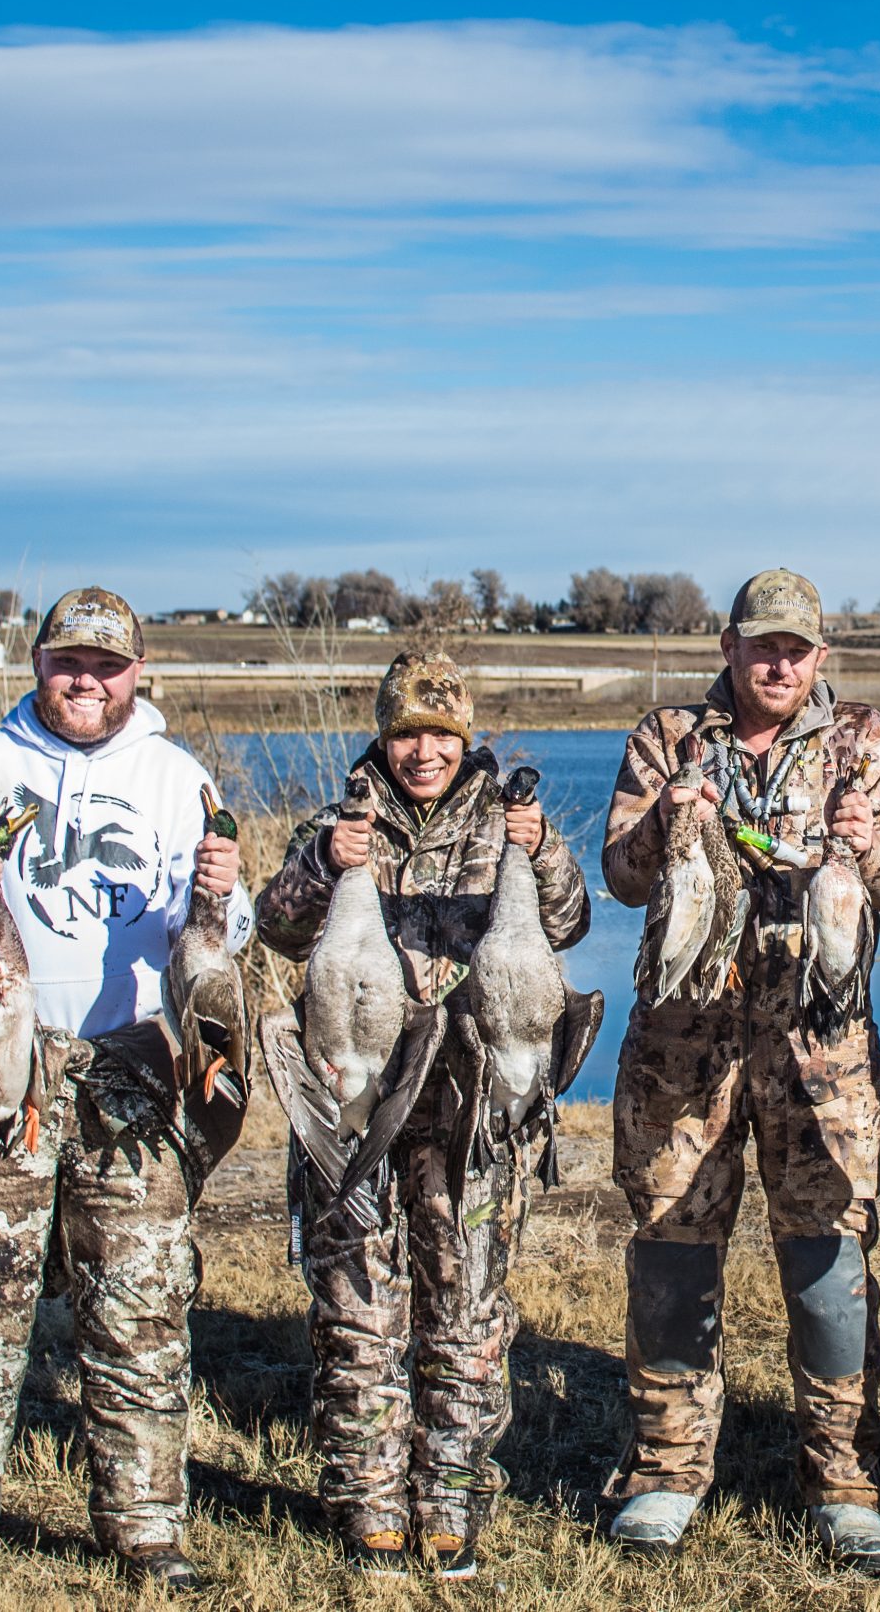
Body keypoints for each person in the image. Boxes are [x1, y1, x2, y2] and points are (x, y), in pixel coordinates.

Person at [0, 587, 252, 1591]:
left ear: (138, 673)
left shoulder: (175, 777)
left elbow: (227, 935)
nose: (87, 681)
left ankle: (147, 1532)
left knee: (140, 1310)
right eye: (68, 662)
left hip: (129, 1067)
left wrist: (222, 895)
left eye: (107, 666)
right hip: (0, 1059)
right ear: (37, 663)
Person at [597, 569, 880, 1569]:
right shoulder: (667, 737)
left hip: (820, 1051)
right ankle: (665, 1471)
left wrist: (868, 850)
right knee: (672, 1255)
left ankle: (843, 1481)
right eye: (761, 645)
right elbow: (621, 875)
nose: (778, 664)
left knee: (829, 1261)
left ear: (820, 656)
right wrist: (669, 819)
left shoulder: (863, 740)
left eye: (796, 648)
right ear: (729, 647)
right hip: (682, 1047)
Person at [252, 652, 591, 1577]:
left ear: (464, 736)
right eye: (408, 734)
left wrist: (541, 849)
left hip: (469, 1113)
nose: (426, 752)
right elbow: (275, 927)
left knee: (466, 1309)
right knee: (359, 1310)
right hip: (356, 1112)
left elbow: (569, 921)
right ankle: (369, 1504)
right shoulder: (343, 823)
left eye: (442, 734)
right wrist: (322, 864)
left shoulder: (504, 821)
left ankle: (450, 1500)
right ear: (385, 738)